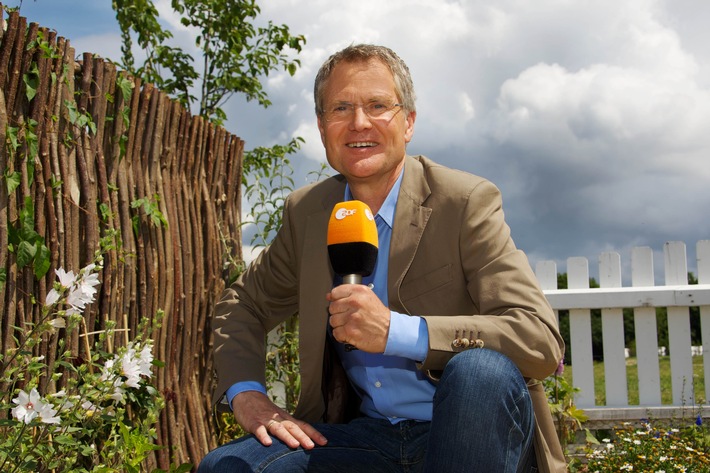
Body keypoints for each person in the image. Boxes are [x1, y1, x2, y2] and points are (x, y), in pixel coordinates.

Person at [199, 44, 566, 473]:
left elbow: (538, 339)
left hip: (467, 436)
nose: (359, 123)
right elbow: (241, 304)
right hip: (367, 438)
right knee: (229, 467)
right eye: (340, 108)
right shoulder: (309, 214)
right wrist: (248, 395)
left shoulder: (464, 202)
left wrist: (397, 332)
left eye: (377, 105)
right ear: (321, 126)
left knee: (479, 372)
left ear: (408, 122)